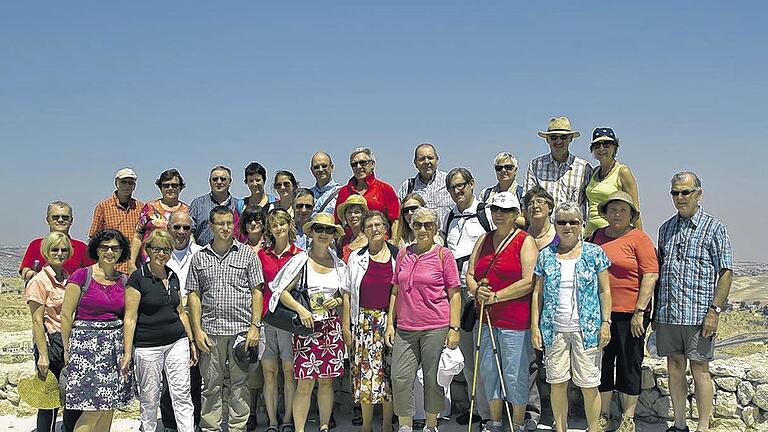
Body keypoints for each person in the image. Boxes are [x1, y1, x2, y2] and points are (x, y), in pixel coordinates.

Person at [655, 171, 733, 432]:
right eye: (675, 192)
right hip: (669, 313)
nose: (680, 197)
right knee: (674, 367)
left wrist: (715, 310)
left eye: (685, 192)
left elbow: (725, 271)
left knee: (700, 369)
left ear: (699, 194)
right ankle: (678, 424)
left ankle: (702, 427)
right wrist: (656, 313)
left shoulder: (714, 228)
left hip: (699, 314)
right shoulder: (665, 228)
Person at [530, 202, 612, 432]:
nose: (567, 226)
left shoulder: (595, 253)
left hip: (586, 330)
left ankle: (593, 428)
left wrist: (606, 323)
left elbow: (605, 290)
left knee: (589, 385)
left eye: (573, 222)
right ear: (555, 225)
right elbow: (538, 293)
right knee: (557, 383)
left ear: (582, 225)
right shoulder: (546, 255)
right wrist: (535, 327)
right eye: (562, 222)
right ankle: (560, 427)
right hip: (554, 329)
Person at [268, 212, 350, 432]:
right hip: (307, 327)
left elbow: (345, 295)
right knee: (305, 383)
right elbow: (281, 290)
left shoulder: (338, 264)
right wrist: (301, 308)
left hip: (330, 327)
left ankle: (324, 425)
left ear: (334, 235)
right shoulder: (301, 261)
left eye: (329, 230)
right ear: (312, 232)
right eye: (320, 229)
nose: (324, 234)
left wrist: (337, 300)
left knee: (326, 381)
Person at [187, 205, 264, 432]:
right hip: (210, 331)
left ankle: (237, 428)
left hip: (241, 330)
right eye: (220, 223)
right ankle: (211, 428)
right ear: (211, 226)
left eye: (229, 223)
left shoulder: (247, 255)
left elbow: (256, 291)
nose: (225, 227)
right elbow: (194, 295)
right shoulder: (199, 258)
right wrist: (197, 330)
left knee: (240, 385)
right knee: (211, 384)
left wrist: (254, 327)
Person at [384, 207, 462, 432]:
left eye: (428, 225)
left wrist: (453, 328)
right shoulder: (403, 254)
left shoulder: (443, 255)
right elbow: (395, 289)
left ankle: (430, 424)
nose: (422, 229)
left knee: (432, 379)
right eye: (417, 225)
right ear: (411, 227)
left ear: (435, 228)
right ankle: (405, 426)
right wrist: (391, 323)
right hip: (406, 328)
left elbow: (454, 294)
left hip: (435, 327)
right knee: (400, 377)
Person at [466, 192, 538, 432]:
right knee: (489, 370)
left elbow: (529, 281)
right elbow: (470, 274)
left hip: (514, 320)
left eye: (505, 210)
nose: (499, 214)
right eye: (496, 209)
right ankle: (495, 422)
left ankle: (517, 423)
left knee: (514, 372)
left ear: (516, 214)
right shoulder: (484, 239)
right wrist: (477, 291)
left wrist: (496, 296)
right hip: (486, 318)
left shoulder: (524, 241)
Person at [589, 191, 659, 432]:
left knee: (630, 362)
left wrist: (640, 311)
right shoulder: (597, 236)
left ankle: (628, 418)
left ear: (631, 214)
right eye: (613, 209)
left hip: (631, 313)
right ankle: (604, 414)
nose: (617, 214)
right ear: (606, 213)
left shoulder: (639, 238)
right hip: (601, 313)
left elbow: (650, 274)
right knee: (603, 363)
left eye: (622, 210)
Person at [122, 229, 198, 432]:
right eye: (157, 249)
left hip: (177, 341)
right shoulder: (138, 278)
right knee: (150, 396)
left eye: (166, 249)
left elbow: (181, 311)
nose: (161, 254)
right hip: (148, 346)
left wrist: (191, 342)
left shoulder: (173, 276)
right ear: (148, 250)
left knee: (182, 393)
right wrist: (128, 352)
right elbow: (130, 317)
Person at [60, 229, 134, 432]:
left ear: (121, 251)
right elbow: (66, 315)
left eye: (115, 248)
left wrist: (127, 352)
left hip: (114, 349)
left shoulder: (124, 280)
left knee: (108, 406)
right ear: (97, 249)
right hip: (86, 349)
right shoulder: (82, 276)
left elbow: (128, 317)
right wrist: (68, 348)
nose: (110, 252)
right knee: (93, 408)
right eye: (105, 247)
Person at [443, 167, 492, 425]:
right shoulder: (450, 216)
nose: (457, 191)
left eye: (461, 185)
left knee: (483, 354)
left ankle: (488, 414)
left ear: (472, 184)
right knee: (468, 357)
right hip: (456, 292)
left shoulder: (485, 214)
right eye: (452, 187)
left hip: (478, 291)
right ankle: (477, 409)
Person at [344, 210, 398, 432]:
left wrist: (392, 323)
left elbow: (398, 291)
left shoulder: (398, 255)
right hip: (363, 323)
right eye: (369, 226)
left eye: (378, 225)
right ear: (364, 231)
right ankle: (367, 426)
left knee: (389, 377)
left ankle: (386, 425)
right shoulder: (356, 257)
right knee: (365, 376)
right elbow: (347, 292)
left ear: (386, 228)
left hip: (389, 322)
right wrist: (346, 326)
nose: (374, 229)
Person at [25, 232, 81, 432]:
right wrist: (42, 355)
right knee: (49, 401)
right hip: (50, 343)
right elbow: (37, 321)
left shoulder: (69, 279)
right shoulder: (39, 281)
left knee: (71, 397)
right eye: (55, 249)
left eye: (64, 249)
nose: (59, 253)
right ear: (46, 252)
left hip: (70, 340)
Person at [258, 208, 302, 432]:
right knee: (269, 373)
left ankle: (287, 420)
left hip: (287, 320)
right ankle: (272, 421)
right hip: (266, 318)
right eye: (274, 225)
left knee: (288, 372)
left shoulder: (299, 255)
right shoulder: (262, 255)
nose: (279, 228)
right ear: (270, 229)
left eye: (282, 224)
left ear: (289, 226)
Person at [160, 211, 204, 431]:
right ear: (168, 228)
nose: (181, 232)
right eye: (176, 227)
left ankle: (192, 422)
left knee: (194, 374)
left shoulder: (201, 253)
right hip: (167, 319)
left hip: (195, 317)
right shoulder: (159, 254)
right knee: (169, 376)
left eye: (186, 228)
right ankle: (169, 423)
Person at [525, 117, 593, 216]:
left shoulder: (585, 168)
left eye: (563, 137)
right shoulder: (535, 165)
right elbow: (527, 201)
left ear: (571, 139)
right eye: (553, 137)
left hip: (573, 229)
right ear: (547, 140)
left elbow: (591, 203)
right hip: (543, 230)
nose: (558, 141)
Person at [584, 128, 643, 237]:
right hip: (590, 235)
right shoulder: (594, 171)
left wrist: (640, 238)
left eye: (606, 144)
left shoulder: (623, 172)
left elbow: (635, 208)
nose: (601, 149)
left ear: (614, 147)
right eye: (597, 145)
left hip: (613, 234)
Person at [129, 168, 189, 271]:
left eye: (174, 185)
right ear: (160, 187)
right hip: (148, 262)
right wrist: (131, 263)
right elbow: (138, 235)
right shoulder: (150, 207)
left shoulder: (186, 210)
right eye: (166, 185)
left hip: (177, 263)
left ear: (180, 188)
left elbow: (190, 236)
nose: (170, 188)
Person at [20, 201, 93, 283]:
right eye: (55, 217)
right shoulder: (36, 245)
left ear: (71, 220)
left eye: (65, 217)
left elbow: (92, 275)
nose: (60, 220)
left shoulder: (82, 248)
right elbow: (25, 271)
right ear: (48, 220)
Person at [88, 168, 144, 273]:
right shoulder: (103, 207)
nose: (127, 186)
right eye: (123, 182)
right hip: (110, 267)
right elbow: (94, 237)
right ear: (116, 183)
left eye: (130, 183)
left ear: (134, 186)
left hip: (135, 267)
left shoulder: (141, 207)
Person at [335, 147, 400, 228]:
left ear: (372, 164)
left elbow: (395, 221)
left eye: (363, 162)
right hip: (352, 240)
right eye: (354, 164)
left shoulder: (386, 189)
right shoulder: (344, 191)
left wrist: (393, 240)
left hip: (379, 239)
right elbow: (338, 222)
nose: (358, 167)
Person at [397, 143, 453, 227]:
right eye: (422, 159)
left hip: (446, 238)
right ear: (415, 163)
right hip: (418, 238)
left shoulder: (450, 181)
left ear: (437, 160)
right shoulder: (408, 186)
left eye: (430, 158)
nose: (426, 162)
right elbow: (399, 218)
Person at [189, 165, 239, 246]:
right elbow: (189, 230)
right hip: (203, 255)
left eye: (223, 179)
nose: (219, 182)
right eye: (215, 179)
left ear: (230, 182)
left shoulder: (238, 205)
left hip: (233, 256)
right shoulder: (198, 203)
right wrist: (196, 251)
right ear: (210, 182)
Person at [479, 152, 526, 228]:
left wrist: (504, 215)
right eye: (499, 168)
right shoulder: (485, 194)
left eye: (508, 167)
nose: (503, 170)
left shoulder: (523, 194)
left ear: (516, 170)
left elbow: (528, 221)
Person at [523, 186, 559, 251]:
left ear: (550, 208)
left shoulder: (560, 235)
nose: (535, 206)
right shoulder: (521, 236)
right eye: (530, 203)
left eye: (540, 202)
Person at [336, 194, 370, 262]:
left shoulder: (371, 239)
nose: (353, 215)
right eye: (349, 212)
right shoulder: (343, 241)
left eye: (357, 212)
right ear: (345, 216)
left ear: (364, 215)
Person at [309, 152, 343, 216]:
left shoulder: (342, 192)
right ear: (312, 170)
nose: (321, 169)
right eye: (316, 167)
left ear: (331, 167)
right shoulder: (308, 194)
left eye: (324, 166)